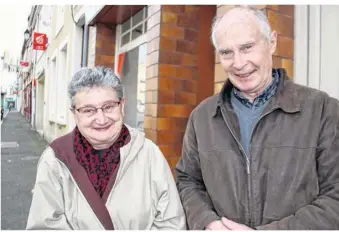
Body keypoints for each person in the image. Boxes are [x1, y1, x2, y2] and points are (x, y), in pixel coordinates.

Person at [175, 5, 339, 230]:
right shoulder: (201, 117)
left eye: (247, 47)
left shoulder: (322, 109)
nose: (239, 63)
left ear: (272, 42)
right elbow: (188, 181)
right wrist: (207, 222)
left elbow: (335, 196)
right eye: (226, 53)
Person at [27, 66, 186, 230]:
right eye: (88, 110)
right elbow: (44, 226)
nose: (101, 119)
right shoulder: (56, 159)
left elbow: (171, 223)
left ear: (122, 105)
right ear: (74, 113)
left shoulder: (149, 153)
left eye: (109, 107)